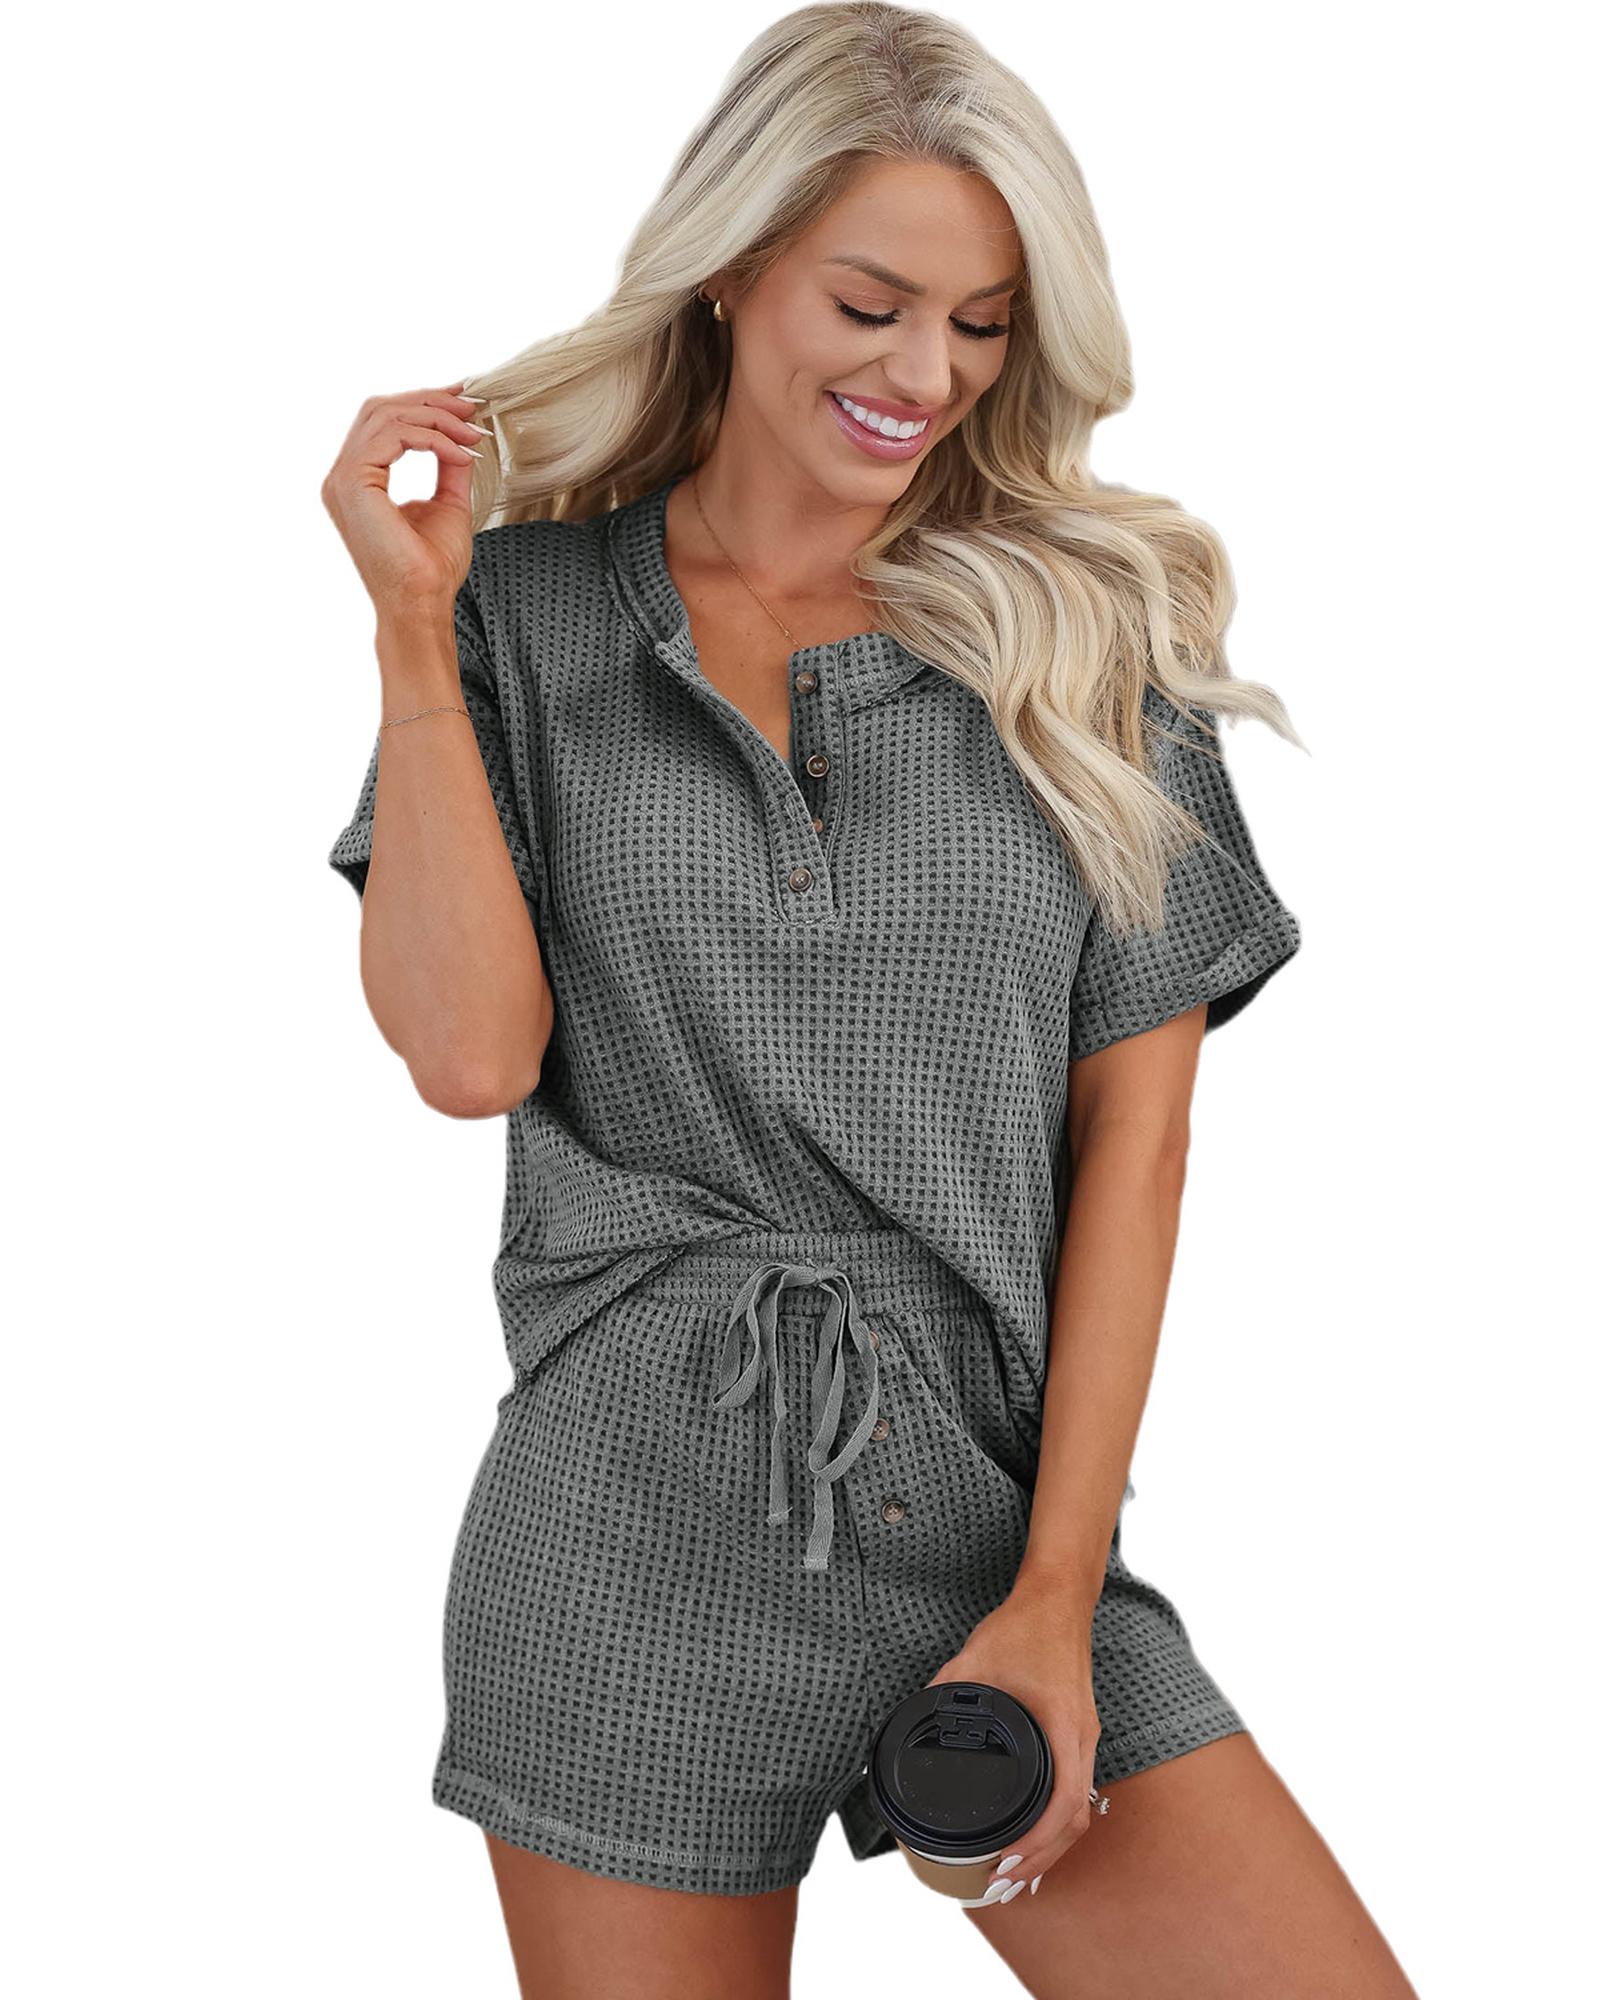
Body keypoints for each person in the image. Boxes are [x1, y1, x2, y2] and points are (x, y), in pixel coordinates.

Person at [320, 5, 1417, 1994]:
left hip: (989, 1506)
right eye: (871, 304)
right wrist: (413, 633)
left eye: (982, 324)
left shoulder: (1090, 637)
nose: (927, 374)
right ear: (732, 270)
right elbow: (471, 1058)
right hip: (627, 1515)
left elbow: (1139, 1146)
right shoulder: (518, 620)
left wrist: (1058, 1592)